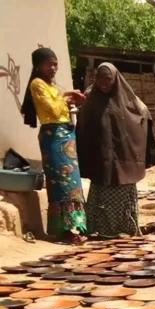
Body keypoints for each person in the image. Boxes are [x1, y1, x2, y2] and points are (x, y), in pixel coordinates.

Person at [76, 62, 155, 238]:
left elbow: (143, 115)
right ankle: (101, 229)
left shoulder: (129, 99)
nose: (104, 83)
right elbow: (83, 123)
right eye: (100, 79)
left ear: (115, 79)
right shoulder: (91, 97)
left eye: (108, 79)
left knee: (122, 193)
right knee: (101, 189)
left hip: (123, 155)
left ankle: (126, 227)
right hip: (101, 155)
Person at [20, 47, 87, 242]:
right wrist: (66, 96)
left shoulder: (54, 87)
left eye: (55, 64)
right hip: (52, 136)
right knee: (60, 183)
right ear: (38, 66)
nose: (53, 68)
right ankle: (64, 231)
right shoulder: (37, 84)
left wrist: (72, 99)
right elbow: (53, 110)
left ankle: (75, 226)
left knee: (73, 183)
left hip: (67, 135)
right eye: (49, 64)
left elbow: (63, 108)